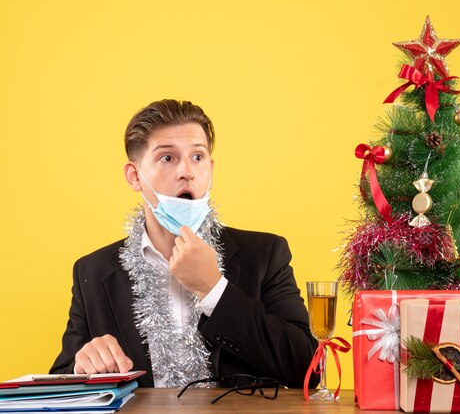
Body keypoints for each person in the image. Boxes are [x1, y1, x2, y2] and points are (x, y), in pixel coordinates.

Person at [50, 99, 318, 388]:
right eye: (168, 158)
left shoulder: (264, 255)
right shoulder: (93, 270)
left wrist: (214, 289)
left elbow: (307, 367)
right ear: (135, 176)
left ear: (211, 170)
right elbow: (61, 375)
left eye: (198, 157)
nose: (186, 171)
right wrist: (83, 364)